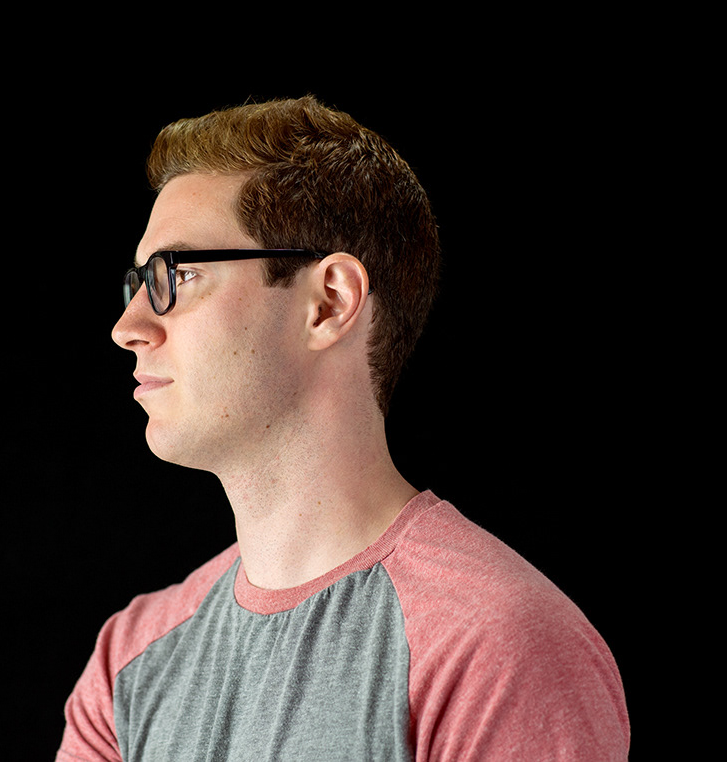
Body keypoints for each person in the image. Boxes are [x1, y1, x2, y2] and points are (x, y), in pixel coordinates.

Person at [57, 96, 629, 760]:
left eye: (177, 275)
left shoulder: (496, 646)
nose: (127, 327)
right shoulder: (128, 663)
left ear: (329, 302)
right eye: (138, 281)